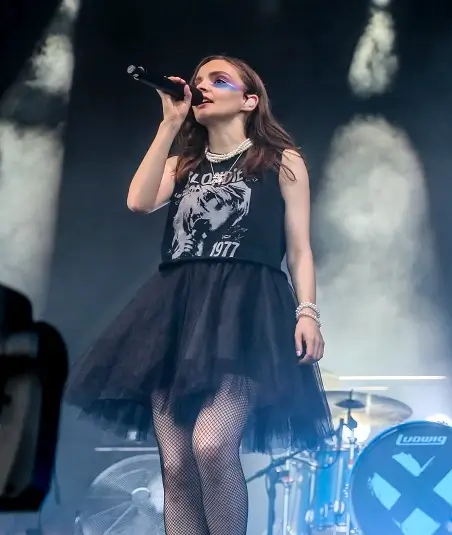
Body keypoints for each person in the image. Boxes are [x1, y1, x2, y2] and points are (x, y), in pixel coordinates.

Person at [64, 55, 333, 535]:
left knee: (211, 443)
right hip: (177, 311)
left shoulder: (280, 161)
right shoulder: (182, 162)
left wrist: (307, 312)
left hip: (245, 310)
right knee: (177, 464)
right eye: (199, 80)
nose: (203, 86)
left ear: (249, 100)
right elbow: (139, 201)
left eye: (219, 80)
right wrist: (169, 122)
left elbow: (300, 247)